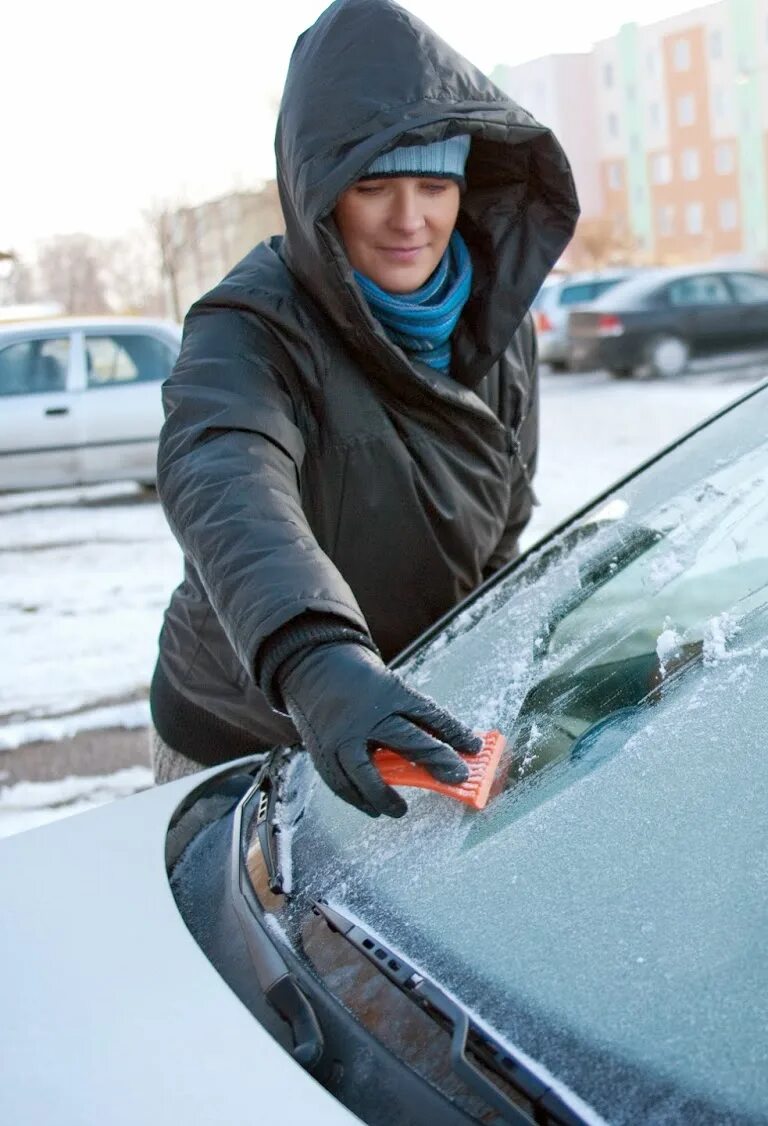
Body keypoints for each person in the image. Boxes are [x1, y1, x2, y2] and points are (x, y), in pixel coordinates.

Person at [147, 0, 579, 817]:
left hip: (401, 721)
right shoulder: (253, 323)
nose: (410, 219)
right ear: (323, 191)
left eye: (434, 183)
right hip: (245, 727)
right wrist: (313, 655)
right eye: (374, 185)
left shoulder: (495, 316)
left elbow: (500, 518)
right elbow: (223, 469)